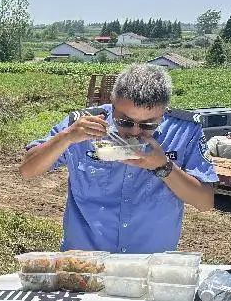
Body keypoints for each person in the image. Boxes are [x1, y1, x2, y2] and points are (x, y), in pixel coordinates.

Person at [20, 63, 217, 254]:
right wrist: (66, 137)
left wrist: (163, 167)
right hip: (85, 264)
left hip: (149, 267)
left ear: (164, 112)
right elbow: (27, 170)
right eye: (125, 121)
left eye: (148, 125)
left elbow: (204, 202)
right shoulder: (84, 125)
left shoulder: (184, 131)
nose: (135, 131)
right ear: (112, 104)